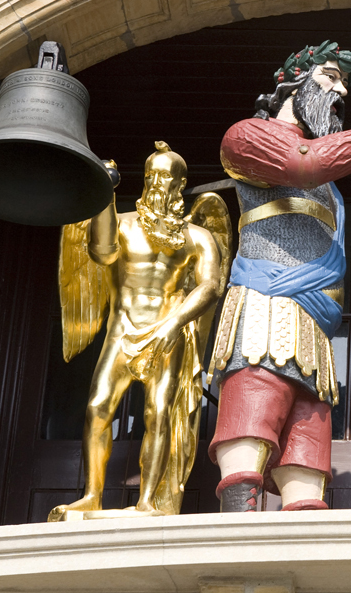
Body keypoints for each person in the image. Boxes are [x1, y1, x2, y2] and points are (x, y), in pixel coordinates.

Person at [209, 41, 351, 512]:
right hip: (268, 296)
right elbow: (303, 163)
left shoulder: (329, 187)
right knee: (256, 394)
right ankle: (236, 523)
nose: (341, 90)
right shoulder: (248, 136)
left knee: (307, 434)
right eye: (331, 77)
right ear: (292, 81)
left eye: (342, 82)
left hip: (316, 318)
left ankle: (300, 521)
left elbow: (316, 165)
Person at [50, 142, 229, 520]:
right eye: (151, 176)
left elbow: (211, 285)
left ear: (181, 184)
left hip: (168, 330)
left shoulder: (197, 236)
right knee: (97, 408)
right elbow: (101, 252)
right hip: (122, 328)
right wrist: (104, 194)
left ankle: (148, 501)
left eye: (165, 177)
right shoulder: (124, 222)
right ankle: (92, 494)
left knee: (159, 412)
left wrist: (174, 323)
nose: (157, 184)